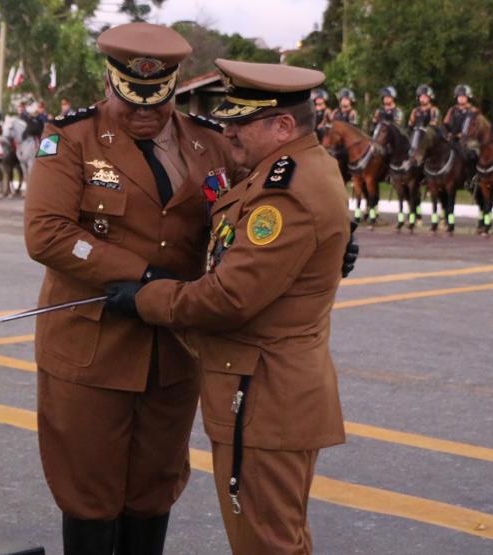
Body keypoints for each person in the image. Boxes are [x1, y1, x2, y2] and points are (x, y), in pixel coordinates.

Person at [104, 58, 352, 555]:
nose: (229, 131)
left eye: (242, 121)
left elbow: (229, 297)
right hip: (276, 394)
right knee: (281, 539)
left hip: (263, 397)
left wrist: (147, 298)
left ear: (283, 126)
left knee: (265, 544)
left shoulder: (283, 196)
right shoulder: (301, 168)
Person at [24, 23, 243, 555]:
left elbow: (254, 211)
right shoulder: (71, 138)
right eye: (133, 99)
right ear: (111, 82)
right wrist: (142, 276)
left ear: (174, 87)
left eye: (157, 100)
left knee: (155, 487)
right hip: (91, 348)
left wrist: (322, 239)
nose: (146, 112)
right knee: (89, 492)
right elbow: (47, 233)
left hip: (173, 349)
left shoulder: (209, 141)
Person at [443, 84, 480, 189]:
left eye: (463, 96)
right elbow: (445, 124)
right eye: (459, 96)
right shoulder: (452, 110)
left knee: (472, 155)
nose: (461, 98)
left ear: (468, 97)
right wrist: (448, 134)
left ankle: (472, 177)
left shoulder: (473, 111)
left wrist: (464, 135)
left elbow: (476, 127)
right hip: (453, 138)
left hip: (469, 140)